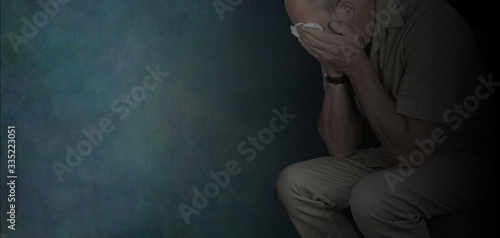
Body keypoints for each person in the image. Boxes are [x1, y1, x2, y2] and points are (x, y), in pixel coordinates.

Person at [274, 0, 498, 237]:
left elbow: (412, 153)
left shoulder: (431, 19)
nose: (305, 40)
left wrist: (357, 65)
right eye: (297, 31)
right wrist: (335, 71)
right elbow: (340, 147)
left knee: (372, 197)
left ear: (346, 10)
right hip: (395, 151)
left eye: (307, 29)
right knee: (293, 185)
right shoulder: (341, 37)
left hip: (464, 156)